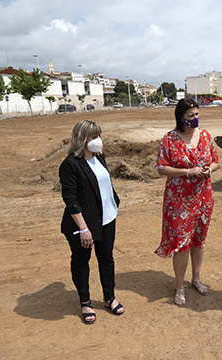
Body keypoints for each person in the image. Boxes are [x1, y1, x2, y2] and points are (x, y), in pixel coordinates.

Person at [59, 120, 124, 324]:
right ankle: (85, 302)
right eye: (94, 137)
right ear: (82, 139)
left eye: (99, 136)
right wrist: (83, 228)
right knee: (81, 261)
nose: (99, 140)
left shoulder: (99, 157)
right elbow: (70, 200)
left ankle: (109, 298)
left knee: (106, 258)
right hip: (83, 225)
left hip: (106, 219)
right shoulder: (70, 164)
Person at [155, 98, 219, 307]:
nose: (195, 119)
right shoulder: (170, 139)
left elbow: (215, 161)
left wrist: (209, 170)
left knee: (199, 241)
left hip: (203, 197)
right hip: (179, 200)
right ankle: (180, 286)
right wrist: (187, 171)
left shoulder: (206, 136)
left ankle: (196, 278)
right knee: (181, 244)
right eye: (191, 116)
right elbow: (161, 168)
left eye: (197, 114)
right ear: (181, 118)